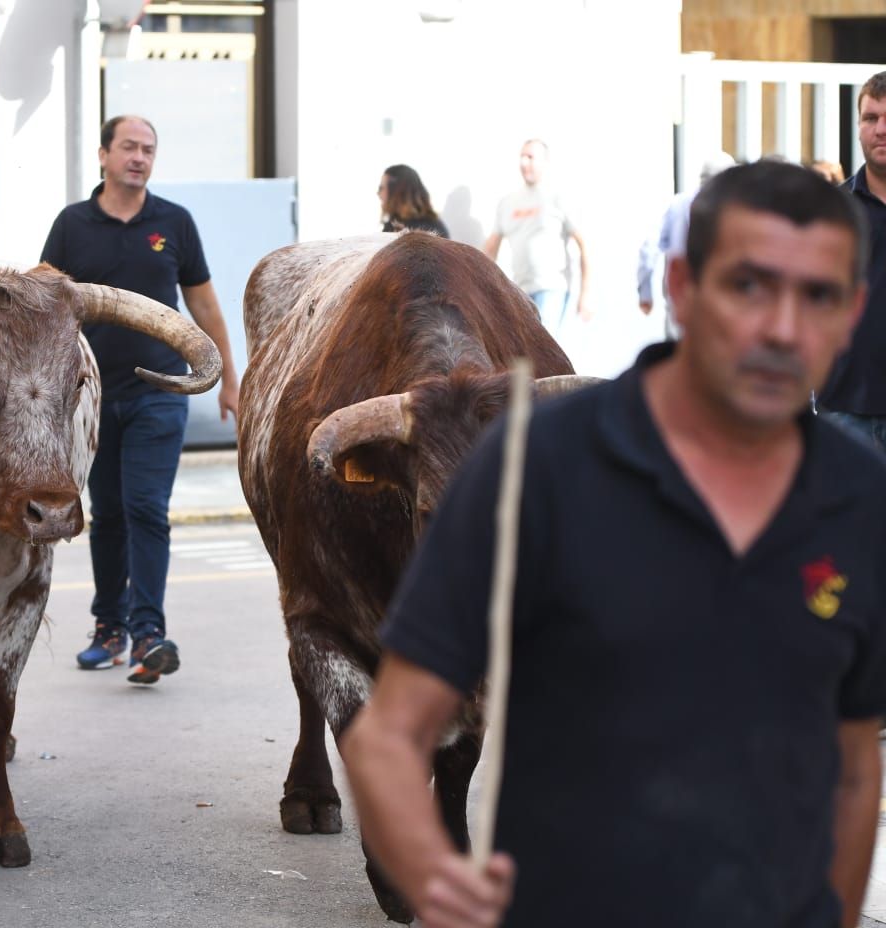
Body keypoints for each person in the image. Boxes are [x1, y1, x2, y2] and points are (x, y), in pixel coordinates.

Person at [342, 160, 884, 928]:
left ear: (853, 310)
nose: (782, 329)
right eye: (748, 287)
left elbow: (854, 768)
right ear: (682, 287)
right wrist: (435, 879)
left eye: (818, 296)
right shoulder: (536, 470)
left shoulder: (859, 500)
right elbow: (390, 735)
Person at [40, 115, 240, 684]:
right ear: (103, 154)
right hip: (92, 397)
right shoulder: (72, 225)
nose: (139, 157)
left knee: (145, 508)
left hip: (163, 390)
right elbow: (46, 307)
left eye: (148, 149)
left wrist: (227, 375)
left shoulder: (174, 222)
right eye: (128, 147)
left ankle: (149, 631)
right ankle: (109, 628)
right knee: (104, 517)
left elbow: (202, 304)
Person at [818, 71, 886, 455]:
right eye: (871, 118)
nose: (881, 129)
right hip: (845, 409)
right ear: (858, 126)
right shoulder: (832, 212)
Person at [484, 139, 591, 336]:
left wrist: (586, 295)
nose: (524, 162)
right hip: (520, 291)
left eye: (531, 157)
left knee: (545, 353)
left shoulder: (558, 197)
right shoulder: (508, 203)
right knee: (524, 355)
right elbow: (491, 247)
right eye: (522, 157)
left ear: (545, 162)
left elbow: (584, 245)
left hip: (552, 288)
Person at [636, 151, 737, 337]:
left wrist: (645, 293)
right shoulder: (735, 210)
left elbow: (649, 248)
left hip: (678, 301)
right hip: (721, 306)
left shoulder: (678, 204)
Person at [379, 164, 449, 237]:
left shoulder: (394, 230)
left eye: (381, 188)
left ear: (397, 190)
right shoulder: (437, 226)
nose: (379, 193)